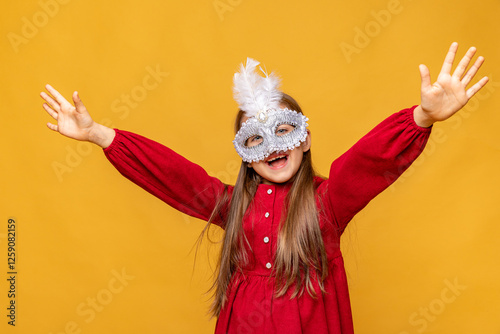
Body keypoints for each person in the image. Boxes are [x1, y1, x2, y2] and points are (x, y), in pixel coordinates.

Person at [40, 42, 488, 333]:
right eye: (255, 139)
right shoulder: (232, 205)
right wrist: (100, 134)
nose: (272, 147)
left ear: (305, 138)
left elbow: (367, 163)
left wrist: (421, 118)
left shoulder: (327, 203)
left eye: (283, 131)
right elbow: (175, 177)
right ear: (245, 154)